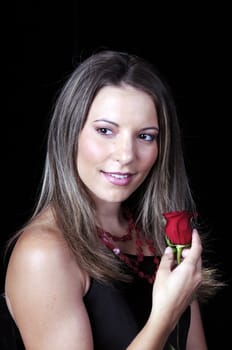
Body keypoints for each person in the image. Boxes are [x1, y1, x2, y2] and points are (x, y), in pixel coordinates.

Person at [4, 49, 220, 350]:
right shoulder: (43, 253)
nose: (126, 155)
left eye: (145, 136)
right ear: (70, 133)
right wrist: (163, 318)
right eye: (105, 131)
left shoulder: (156, 235)